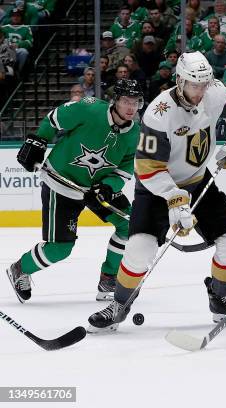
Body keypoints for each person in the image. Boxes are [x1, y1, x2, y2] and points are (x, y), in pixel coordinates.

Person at [88, 52, 226, 332]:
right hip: (156, 188)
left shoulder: (213, 90)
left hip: (199, 180)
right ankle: (119, 304)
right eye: (194, 85)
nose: (201, 91)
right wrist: (176, 200)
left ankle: (220, 298)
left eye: (204, 84)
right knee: (140, 250)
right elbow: (148, 168)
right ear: (179, 80)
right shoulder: (158, 113)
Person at [6, 80, 143, 304]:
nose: (131, 107)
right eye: (126, 101)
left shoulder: (134, 133)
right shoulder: (89, 109)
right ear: (115, 100)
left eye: (135, 102)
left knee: (129, 226)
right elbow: (54, 118)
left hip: (96, 188)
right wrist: (39, 140)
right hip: (61, 184)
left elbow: (123, 170)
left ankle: (108, 278)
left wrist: (109, 187)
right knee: (60, 249)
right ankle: (20, 269)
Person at [1, 9, 33, 73]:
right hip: (6, 50)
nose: (15, 18)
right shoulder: (4, 28)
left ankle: (19, 72)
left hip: (18, 50)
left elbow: (30, 42)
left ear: (21, 17)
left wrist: (18, 44)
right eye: (13, 16)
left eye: (18, 16)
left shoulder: (26, 28)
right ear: (11, 17)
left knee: (24, 52)